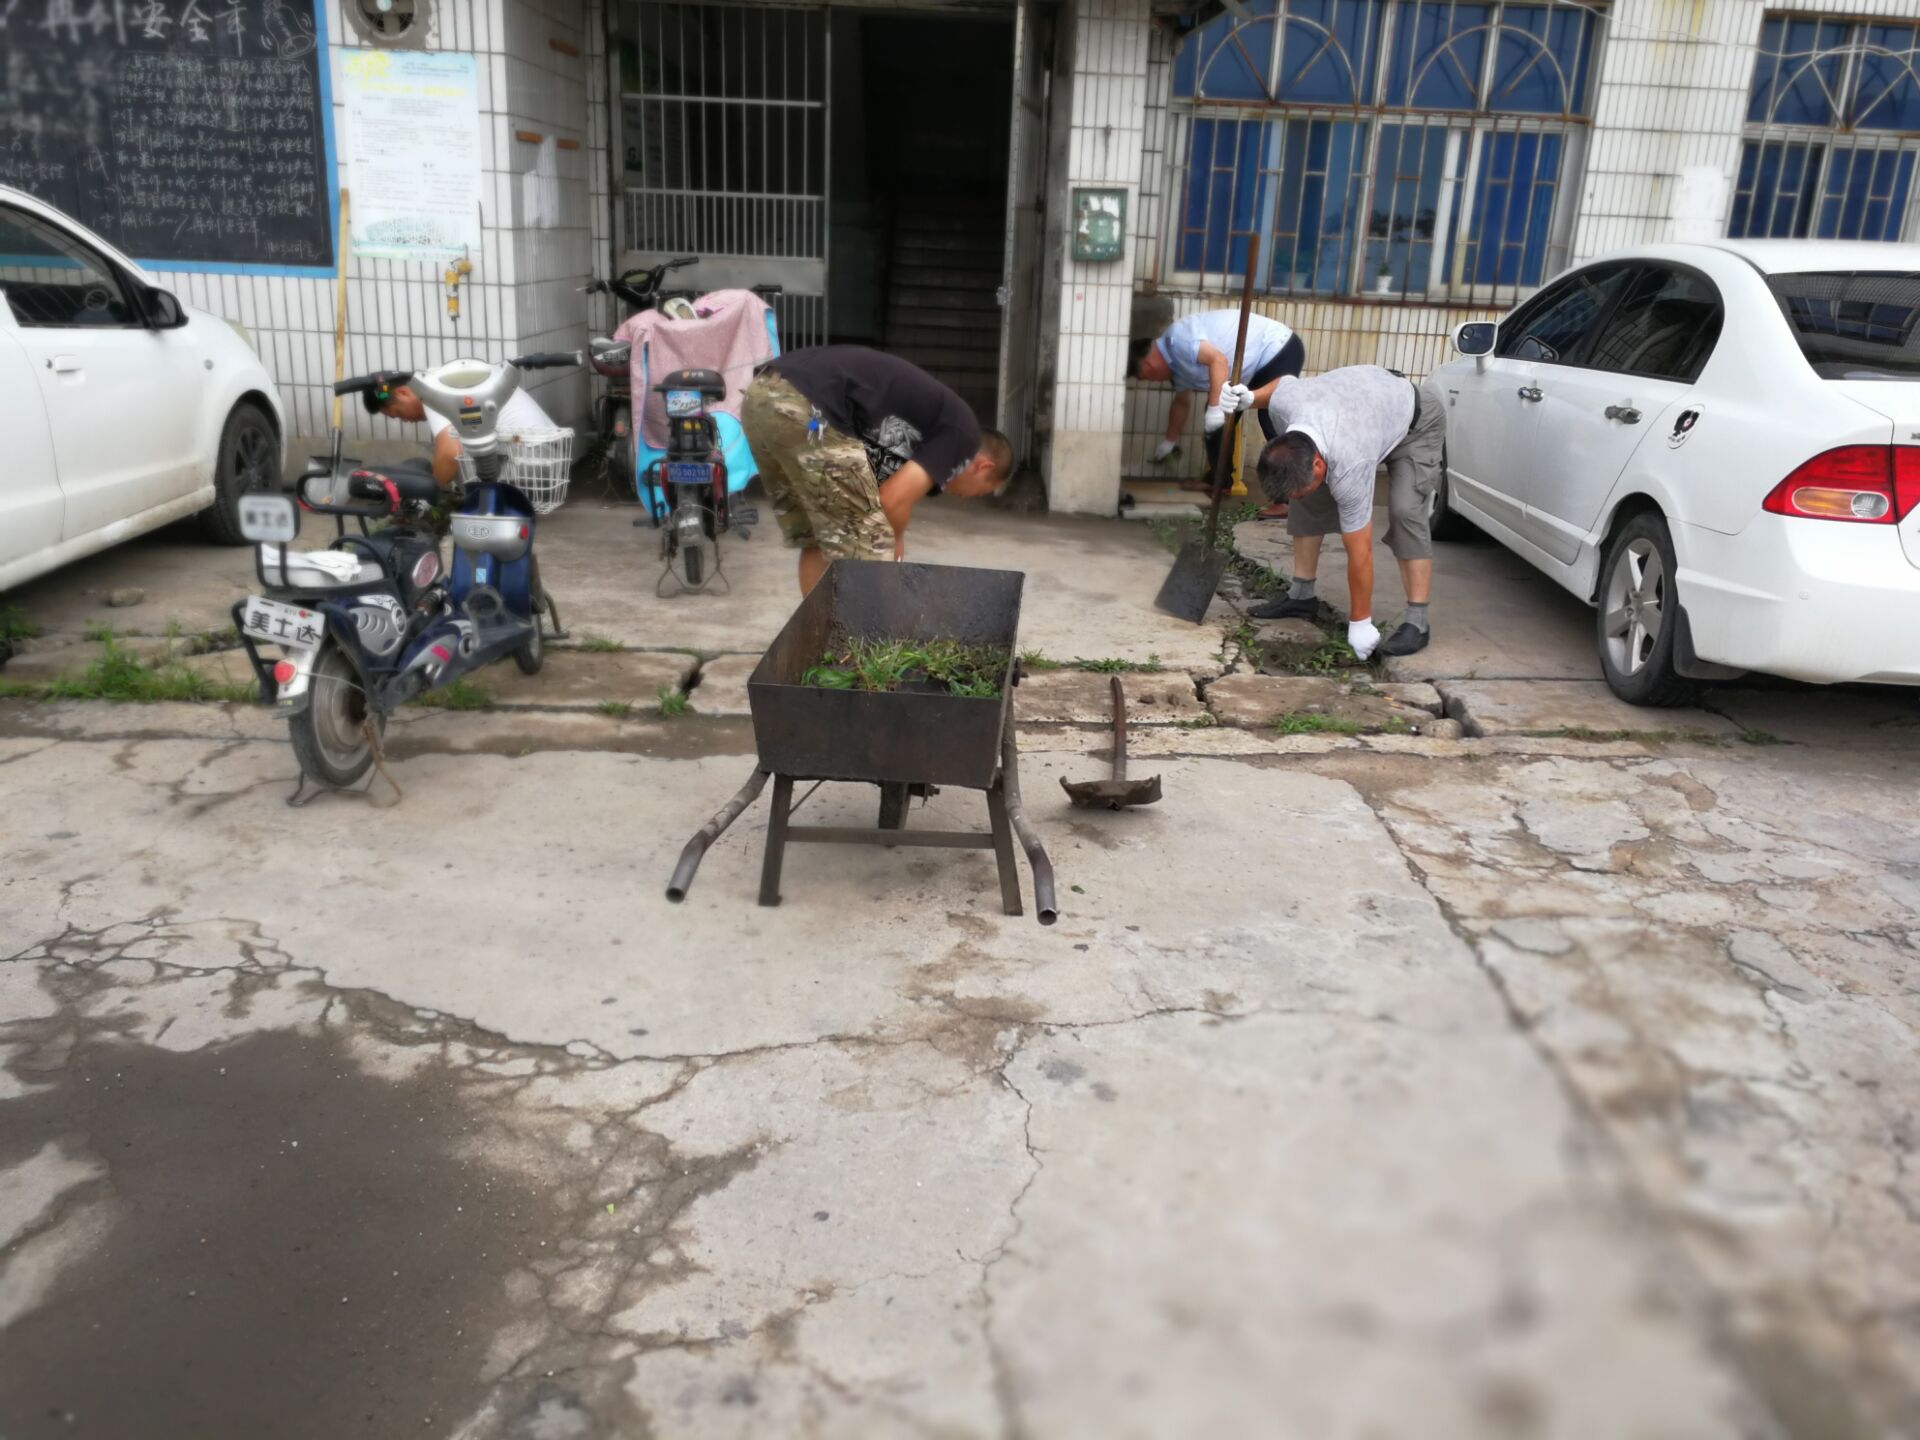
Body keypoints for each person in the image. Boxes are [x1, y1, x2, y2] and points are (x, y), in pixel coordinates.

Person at [740, 345, 1013, 595]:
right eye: (981, 492)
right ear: (983, 466)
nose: (968, 498)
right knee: (873, 540)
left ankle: (819, 630)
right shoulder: (964, 437)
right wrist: (896, 539)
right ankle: (860, 635)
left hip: (762, 396)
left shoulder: (928, 429)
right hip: (808, 406)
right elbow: (892, 500)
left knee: (819, 539)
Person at [1247, 365, 1447, 661]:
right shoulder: (1289, 405)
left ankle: (1417, 622)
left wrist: (1360, 622)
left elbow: (1360, 551)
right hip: (1367, 414)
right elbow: (1280, 386)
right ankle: (1301, 596)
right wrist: (1247, 398)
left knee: (1405, 510)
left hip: (1415, 423)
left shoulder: (1351, 462)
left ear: (1318, 464)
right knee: (1306, 496)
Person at [1129, 311, 1305, 517]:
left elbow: (1218, 361)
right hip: (1252, 366)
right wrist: (1170, 441)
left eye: (1145, 377)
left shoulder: (1178, 341)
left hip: (1277, 348)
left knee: (1269, 418)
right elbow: (1181, 403)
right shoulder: (1175, 366)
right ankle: (1219, 482)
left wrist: (1215, 410)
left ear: (1147, 364)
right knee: (1217, 421)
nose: (1152, 380)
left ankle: (1289, 500)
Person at [367, 380, 556, 488]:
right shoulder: (448, 382)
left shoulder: (432, 393)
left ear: (403, 393)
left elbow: (449, 454)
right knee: (461, 441)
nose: (405, 420)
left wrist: (428, 494)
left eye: (398, 414)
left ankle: (477, 512)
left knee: (454, 452)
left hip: (533, 460)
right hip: (552, 461)